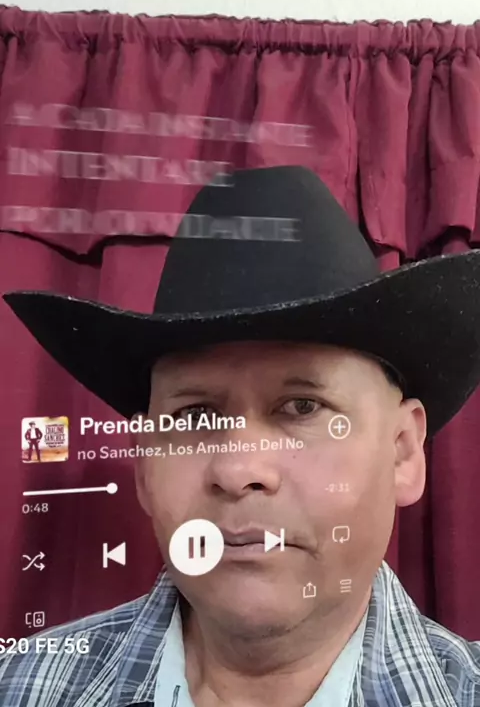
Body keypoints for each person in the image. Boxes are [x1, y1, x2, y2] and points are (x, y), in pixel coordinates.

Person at [1, 165, 480, 707]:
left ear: (402, 452)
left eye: (302, 407)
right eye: (193, 416)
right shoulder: (20, 687)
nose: (237, 470)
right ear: (144, 467)